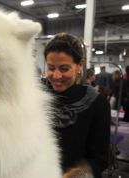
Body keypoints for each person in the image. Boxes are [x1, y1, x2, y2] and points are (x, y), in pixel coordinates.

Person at [41, 33, 110, 178]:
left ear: (79, 65)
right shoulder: (34, 93)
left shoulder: (96, 103)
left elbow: (99, 158)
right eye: (51, 68)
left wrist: (79, 173)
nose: (56, 75)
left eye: (64, 69)